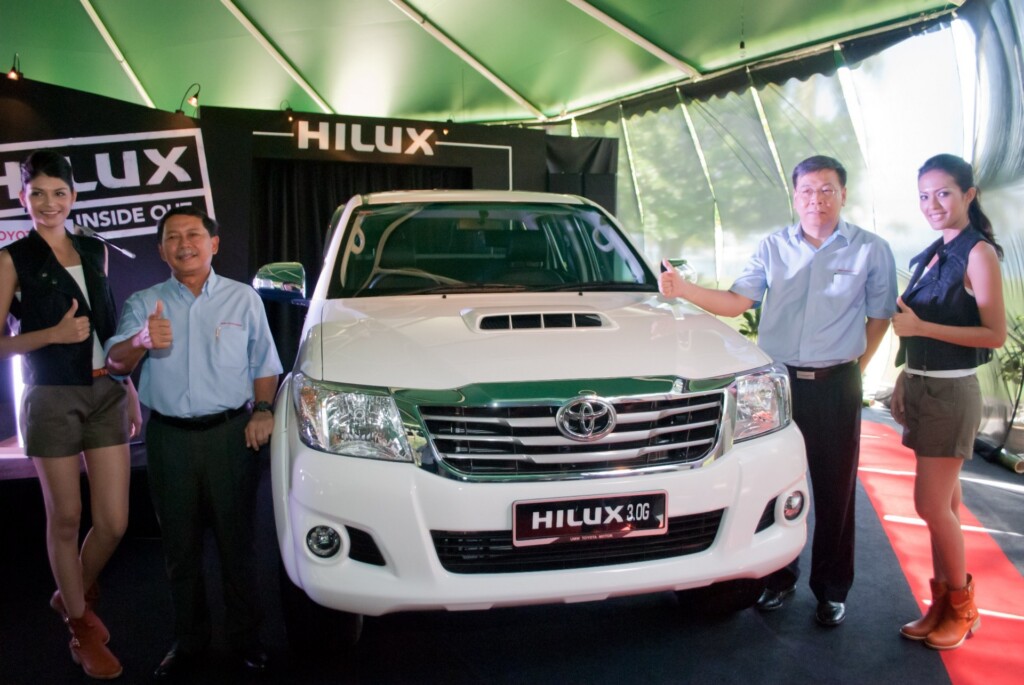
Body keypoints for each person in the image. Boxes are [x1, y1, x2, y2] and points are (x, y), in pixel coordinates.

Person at [659, 155, 897, 627]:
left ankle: (831, 591)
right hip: (777, 387)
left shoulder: (871, 249)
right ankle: (778, 577)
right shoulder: (773, 247)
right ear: (795, 196)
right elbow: (736, 302)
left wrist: (854, 369)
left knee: (835, 492)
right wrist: (684, 289)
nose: (816, 199)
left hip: (837, 384)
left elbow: (880, 317)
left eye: (826, 189)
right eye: (807, 190)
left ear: (844, 194)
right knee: (774, 484)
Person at [105, 206, 282, 679]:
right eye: (172, 237)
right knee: (179, 549)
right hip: (169, 440)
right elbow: (116, 362)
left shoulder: (244, 300)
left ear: (214, 243)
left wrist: (263, 411)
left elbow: (265, 365)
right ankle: (189, 642)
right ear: (161, 250)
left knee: (237, 544)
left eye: (194, 234)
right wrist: (142, 339)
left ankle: (246, 638)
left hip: (230, 435)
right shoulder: (145, 301)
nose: (184, 243)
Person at [0, 150, 141, 679]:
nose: (49, 203)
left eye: (59, 193)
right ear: (24, 199)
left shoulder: (93, 249)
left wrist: (127, 385)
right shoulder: (11, 260)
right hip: (50, 396)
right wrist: (51, 336)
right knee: (65, 517)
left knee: (114, 521)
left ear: (73, 198)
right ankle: (80, 624)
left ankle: (69, 594)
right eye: (38, 193)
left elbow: (106, 325)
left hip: (105, 390)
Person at [890, 154, 1005, 650]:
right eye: (923, 195)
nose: (932, 204)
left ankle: (961, 608)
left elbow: (994, 334)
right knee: (947, 505)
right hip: (923, 383)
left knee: (930, 504)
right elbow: (913, 324)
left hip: (951, 391)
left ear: (968, 195)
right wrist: (904, 373)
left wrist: (920, 329)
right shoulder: (936, 250)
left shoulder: (978, 253)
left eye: (943, 193)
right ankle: (942, 606)